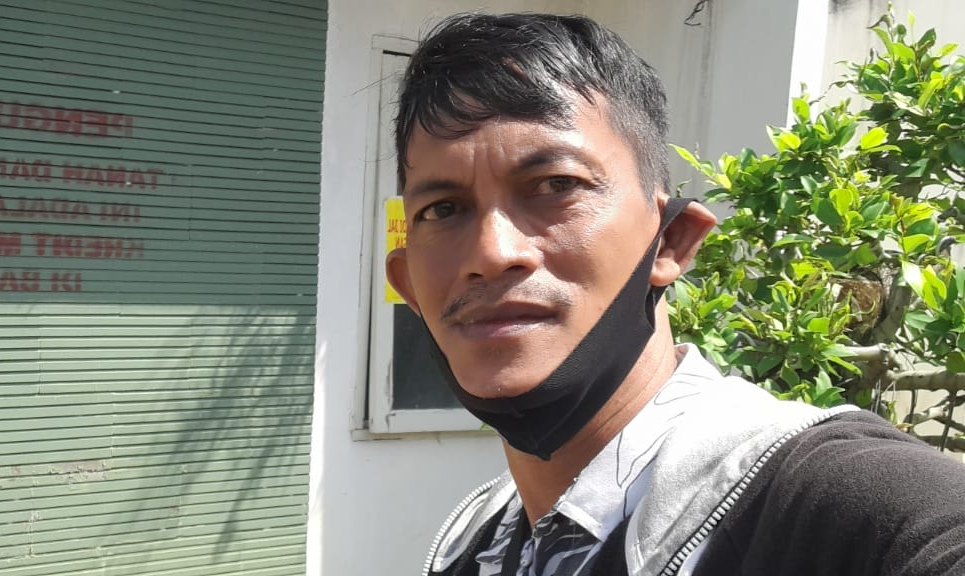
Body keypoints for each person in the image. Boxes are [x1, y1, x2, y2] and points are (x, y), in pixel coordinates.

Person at [384, 12, 965, 576]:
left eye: (557, 184)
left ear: (670, 241)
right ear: (409, 286)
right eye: (443, 209)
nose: (491, 252)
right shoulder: (478, 538)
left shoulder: (839, 504)